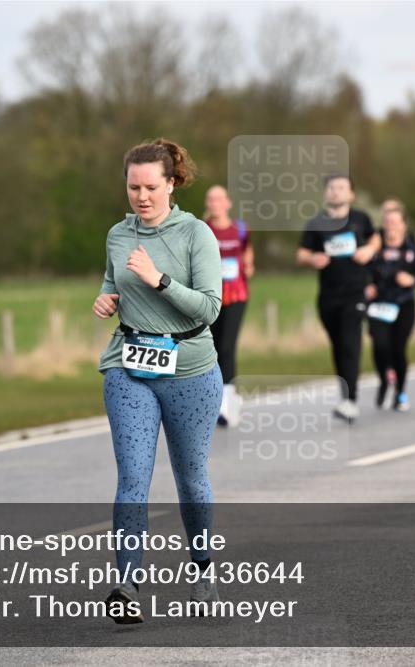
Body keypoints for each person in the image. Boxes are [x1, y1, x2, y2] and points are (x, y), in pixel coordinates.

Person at [93, 138, 223, 623]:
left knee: (191, 480)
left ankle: (203, 569)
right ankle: (127, 585)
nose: (141, 196)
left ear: (171, 183)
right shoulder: (117, 235)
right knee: (132, 480)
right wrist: (106, 299)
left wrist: (159, 280)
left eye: (151, 186)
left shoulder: (196, 235)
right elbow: (113, 282)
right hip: (128, 366)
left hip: (190, 368)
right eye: (133, 187)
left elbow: (211, 307)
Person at [297, 174, 380, 422]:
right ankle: (346, 396)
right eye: (332, 188)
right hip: (328, 295)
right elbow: (301, 254)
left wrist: (369, 249)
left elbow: (376, 238)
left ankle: (350, 400)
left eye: (341, 188)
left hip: (355, 292)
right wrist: (313, 259)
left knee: (350, 342)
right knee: (338, 345)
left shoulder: (360, 219)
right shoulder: (317, 223)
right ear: (325, 193)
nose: (336, 192)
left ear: (351, 194)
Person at [365, 205, 415, 411]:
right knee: (380, 346)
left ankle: (400, 391)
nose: (391, 226)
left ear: (403, 225)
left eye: (395, 222)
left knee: (399, 349)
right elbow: (363, 270)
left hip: (403, 304)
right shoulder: (374, 247)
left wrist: (411, 279)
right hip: (379, 303)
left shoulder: (410, 247)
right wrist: (367, 285)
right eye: (387, 222)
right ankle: (383, 380)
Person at [204, 185, 255, 427]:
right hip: (210, 296)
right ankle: (213, 400)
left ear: (228, 203)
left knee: (227, 347)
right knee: (212, 348)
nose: (215, 203)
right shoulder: (203, 229)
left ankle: (229, 403)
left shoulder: (240, 229)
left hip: (236, 294)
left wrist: (248, 266)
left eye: (219, 199)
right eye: (211, 199)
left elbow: (247, 253)